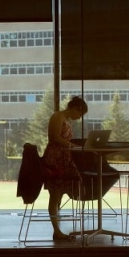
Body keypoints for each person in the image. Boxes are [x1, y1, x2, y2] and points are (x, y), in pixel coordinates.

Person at [41, 96, 86, 241]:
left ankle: (57, 228)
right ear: (76, 108)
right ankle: (56, 230)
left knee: (59, 194)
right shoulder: (58, 116)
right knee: (55, 194)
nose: (79, 117)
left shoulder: (65, 120)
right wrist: (72, 146)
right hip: (55, 160)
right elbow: (54, 138)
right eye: (80, 114)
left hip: (63, 159)